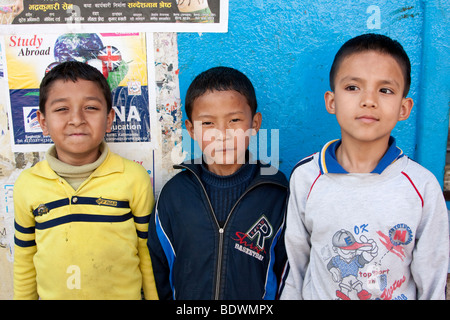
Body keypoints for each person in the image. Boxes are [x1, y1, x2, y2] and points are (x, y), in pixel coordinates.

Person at [279, 33, 449, 300]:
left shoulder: (422, 187)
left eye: (385, 90)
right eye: (353, 87)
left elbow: (433, 280)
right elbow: (295, 267)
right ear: (331, 101)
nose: (369, 100)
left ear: (404, 108)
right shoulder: (307, 177)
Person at [13, 61, 158, 299]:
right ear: (42, 122)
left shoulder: (132, 178)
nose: (77, 119)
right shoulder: (28, 184)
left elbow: (147, 254)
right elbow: (24, 261)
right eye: (61, 109)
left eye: (90, 107)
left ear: (110, 119)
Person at [148, 66, 288, 299]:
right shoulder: (175, 194)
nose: (222, 134)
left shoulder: (277, 191)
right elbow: (159, 267)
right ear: (191, 129)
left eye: (234, 120)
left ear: (254, 123)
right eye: (208, 123)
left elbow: (288, 271)